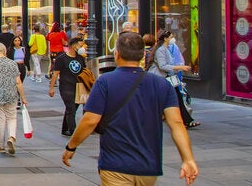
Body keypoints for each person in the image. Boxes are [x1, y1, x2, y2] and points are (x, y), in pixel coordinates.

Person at [62, 32, 199, 186]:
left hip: (115, 165)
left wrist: (71, 146)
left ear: (117, 54)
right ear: (142, 56)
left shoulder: (105, 82)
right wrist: (188, 159)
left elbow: (90, 121)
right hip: (148, 167)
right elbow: (177, 124)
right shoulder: (162, 85)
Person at [147, 30, 200, 128]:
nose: (172, 39)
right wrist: (180, 67)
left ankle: (186, 120)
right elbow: (163, 66)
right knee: (173, 98)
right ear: (166, 39)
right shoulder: (161, 50)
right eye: (171, 37)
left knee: (177, 97)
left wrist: (179, 67)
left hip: (168, 77)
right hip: (162, 78)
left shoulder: (166, 49)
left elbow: (169, 65)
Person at [0, 43, 27, 155]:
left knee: (0, 120)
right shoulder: (13, 63)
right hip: (12, 94)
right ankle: (12, 137)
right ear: (5, 51)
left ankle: (0, 145)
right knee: (12, 117)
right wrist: (23, 97)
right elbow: (18, 81)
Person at [49, 37, 87, 137]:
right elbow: (55, 74)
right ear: (74, 46)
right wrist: (52, 88)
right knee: (71, 109)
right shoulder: (61, 58)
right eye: (79, 45)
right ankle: (74, 131)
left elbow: (84, 72)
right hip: (66, 87)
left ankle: (65, 129)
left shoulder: (80, 58)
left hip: (78, 86)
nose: (81, 47)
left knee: (72, 108)